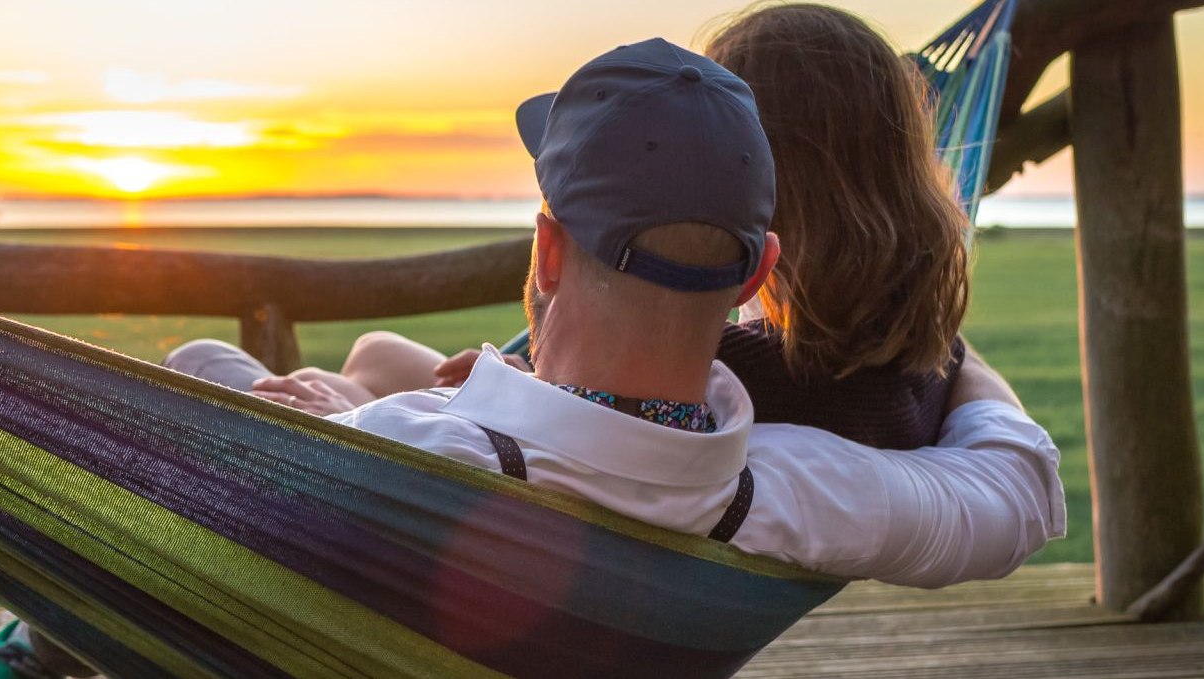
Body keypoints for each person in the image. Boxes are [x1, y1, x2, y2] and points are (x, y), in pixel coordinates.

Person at [0, 38, 1064, 679]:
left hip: (320, 616)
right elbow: (1018, 484)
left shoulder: (461, 445)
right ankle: (29, 656)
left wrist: (309, 415)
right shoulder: (831, 460)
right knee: (272, 370)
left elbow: (453, 451)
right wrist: (950, 348)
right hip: (509, 586)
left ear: (548, 253)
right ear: (756, 265)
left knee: (20, 417)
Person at [321, 4, 976, 451]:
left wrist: (519, 384)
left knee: (368, 359)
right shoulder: (917, 361)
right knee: (379, 354)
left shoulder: (721, 366)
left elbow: (586, 416)